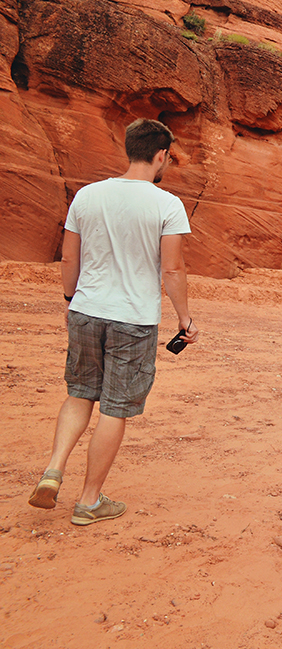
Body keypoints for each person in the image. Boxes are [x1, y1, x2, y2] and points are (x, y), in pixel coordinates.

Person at [28, 118, 198, 525]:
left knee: (79, 393)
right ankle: (88, 500)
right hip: (133, 319)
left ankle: (54, 468)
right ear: (162, 155)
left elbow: (69, 258)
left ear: (129, 149)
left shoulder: (87, 196)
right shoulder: (166, 204)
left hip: (86, 311)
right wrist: (185, 318)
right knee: (115, 409)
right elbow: (172, 271)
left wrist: (72, 299)